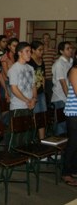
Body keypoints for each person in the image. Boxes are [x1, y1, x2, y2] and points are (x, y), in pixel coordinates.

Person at [8, 42, 36, 127]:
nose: (29, 54)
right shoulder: (14, 69)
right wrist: (27, 100)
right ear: (19, 53)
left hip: (30, 105)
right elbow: (14, 89)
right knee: (17, 137)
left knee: (27, 135)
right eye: (27, 51)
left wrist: (34, 99)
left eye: (30, 51)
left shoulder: (30, 68)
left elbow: (33, 86)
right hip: (18, 106)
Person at [51, 41, 73, 135]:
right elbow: (63, 83)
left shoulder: (71, 61)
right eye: (68, 48)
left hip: (69, 96)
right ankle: (59, 147)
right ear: (61, 51)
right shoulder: (59, 64)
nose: (70, 50)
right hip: (60, 97)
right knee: (61, 124)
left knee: (69, 123)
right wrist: (69, 99)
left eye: (71, 48)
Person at [61, 57, 77, 186]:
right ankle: (66, 172)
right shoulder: (74, 70)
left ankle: (74, 169)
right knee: (73, 142)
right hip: (73, 112)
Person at [28, 40, 46, 139]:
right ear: (33, 50)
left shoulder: (41, 60)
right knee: (34, 116)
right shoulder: (30, 61)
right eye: (39, 50)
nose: (41, 52)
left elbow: (43, 75)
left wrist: (43, 88)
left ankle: (42, 139)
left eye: (42, 50)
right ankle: (32, 139)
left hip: (40, 92)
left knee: (42, 116)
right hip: (32, 93)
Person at [42, 33, 56, 105]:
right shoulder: (40, 50)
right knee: (41, 94)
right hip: (41, 77)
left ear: (50, 40)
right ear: (42, 39)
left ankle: (49, 111)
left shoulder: (53, 51)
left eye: (48, 38)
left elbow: (55, 64)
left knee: (50, 94)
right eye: (45, 38)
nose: (46, 39)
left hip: (50, 77)